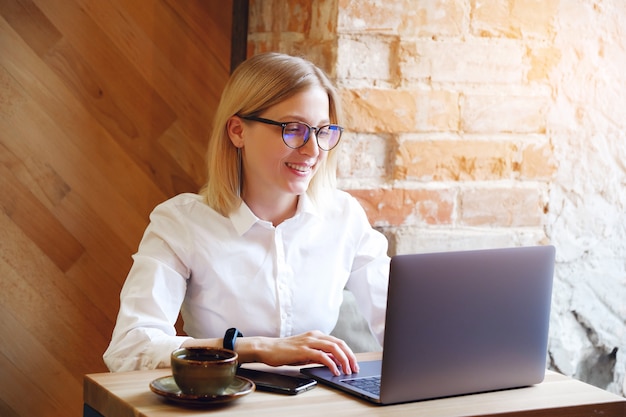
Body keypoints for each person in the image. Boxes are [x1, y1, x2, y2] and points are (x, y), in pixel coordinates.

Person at [103, 52, 389, 376]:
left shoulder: (343, 216)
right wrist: (255, 348)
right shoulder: (181, 223)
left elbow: (402, 325)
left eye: (323, 131)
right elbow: (129, 349)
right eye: (293, 129)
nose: (313, 150)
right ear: (238, 131)